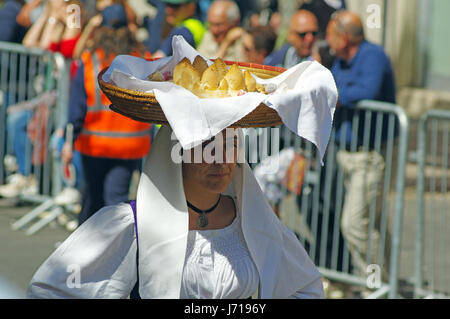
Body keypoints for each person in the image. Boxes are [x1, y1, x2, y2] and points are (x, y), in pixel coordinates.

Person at [27, 123, 325, 298]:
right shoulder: (132, 225)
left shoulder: (254, 221)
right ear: (175, 152)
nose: (221, 160)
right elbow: (50, 288)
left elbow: (305, 288)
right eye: (206, 146)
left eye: (230, 145)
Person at [326, 10, 396, 282]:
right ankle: (384, 283)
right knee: (372, 223)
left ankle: (374, 285)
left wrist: (340, 95)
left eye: (331, 34)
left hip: (370, 153)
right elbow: (328, 86)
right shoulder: (340, 62)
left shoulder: (372, 55)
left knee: (354, 224)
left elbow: (366, 90)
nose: (327, 40)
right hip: (348, 154)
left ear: (343, 37)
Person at [62, 22, 153, 226]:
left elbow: (77, 106)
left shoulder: (91, 60)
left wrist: (69, 140)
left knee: (92, 198)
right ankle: (118, 252)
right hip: (130, 146)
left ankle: (85, 248)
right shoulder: (144, 59)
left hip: (94, 144)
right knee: (116, 200)